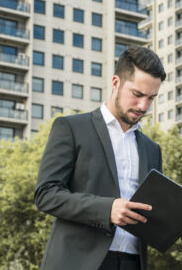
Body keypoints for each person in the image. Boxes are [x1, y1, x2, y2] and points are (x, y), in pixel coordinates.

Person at [34, 46, 166, 270]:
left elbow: (154, 212)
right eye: (137, 94)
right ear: (116, 83)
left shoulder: (153, 149)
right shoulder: (71, 128)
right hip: (78, 262)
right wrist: (107, 209)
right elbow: (46, 194)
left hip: (133, 262)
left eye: (151, 98)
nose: (144, 106)